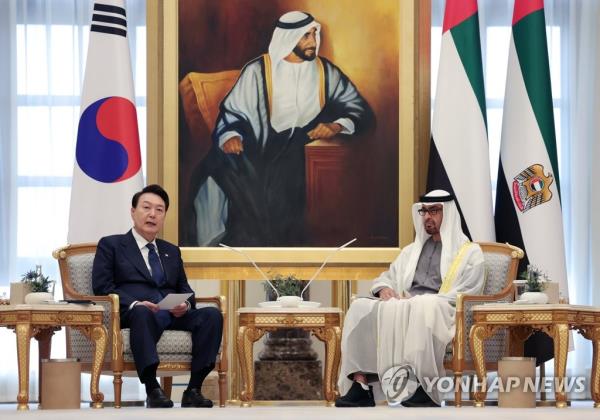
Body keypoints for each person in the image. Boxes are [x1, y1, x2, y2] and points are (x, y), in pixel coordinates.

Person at [190, 10, 374, 246]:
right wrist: (231, 135)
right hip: (257, 144)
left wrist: (336, 125)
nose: (312, 42)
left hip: (298, 147)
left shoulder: (325, 72)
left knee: (283, 185)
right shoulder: (258, 71)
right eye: (305, 36)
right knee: (217, 167)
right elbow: (232, 112)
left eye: (314, 35)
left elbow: (358, 108)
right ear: (288, 38)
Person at [335, 190, 485, 408]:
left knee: (425, 305)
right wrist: (384, 289)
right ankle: (361, 386)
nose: (427, 217)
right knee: (360, 307)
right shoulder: (410, 251)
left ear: (449, 213)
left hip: (442, 307)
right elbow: (388, 277)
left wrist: (422, 300)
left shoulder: (470, 252)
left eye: (434, 211)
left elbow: (470, 289)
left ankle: (425, 388)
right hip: (406, 305)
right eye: (424, 211)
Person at [92, 184, 223, 408]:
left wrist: (185, 305)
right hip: (136, 312)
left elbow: (185, 288)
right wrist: (134, 303)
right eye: (146, 207)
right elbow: (102, 286)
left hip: (172, 313)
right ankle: (153, 388)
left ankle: (193, 390)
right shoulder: (112, 245)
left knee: (212, 315)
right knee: (143, 312)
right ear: (133, 212)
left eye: (159, 210)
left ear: (164, 216)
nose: (152, 214)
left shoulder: (171, 250)